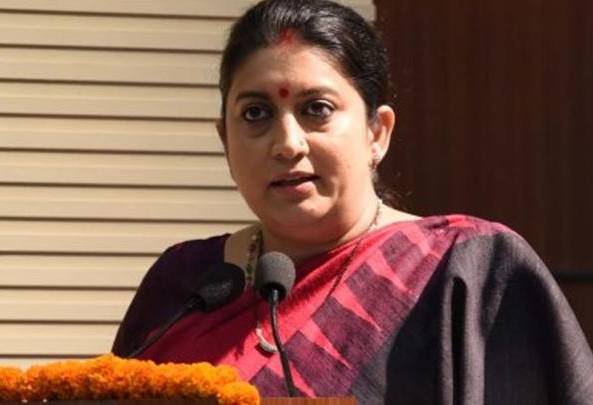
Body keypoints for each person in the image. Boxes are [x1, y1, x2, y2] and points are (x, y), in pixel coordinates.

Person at [112, 0, 593, 403]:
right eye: (256, 113)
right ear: (225, 141)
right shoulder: (184, 283)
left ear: (377, 132)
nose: (287, 144)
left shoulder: (466, 269)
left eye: (316, 109)